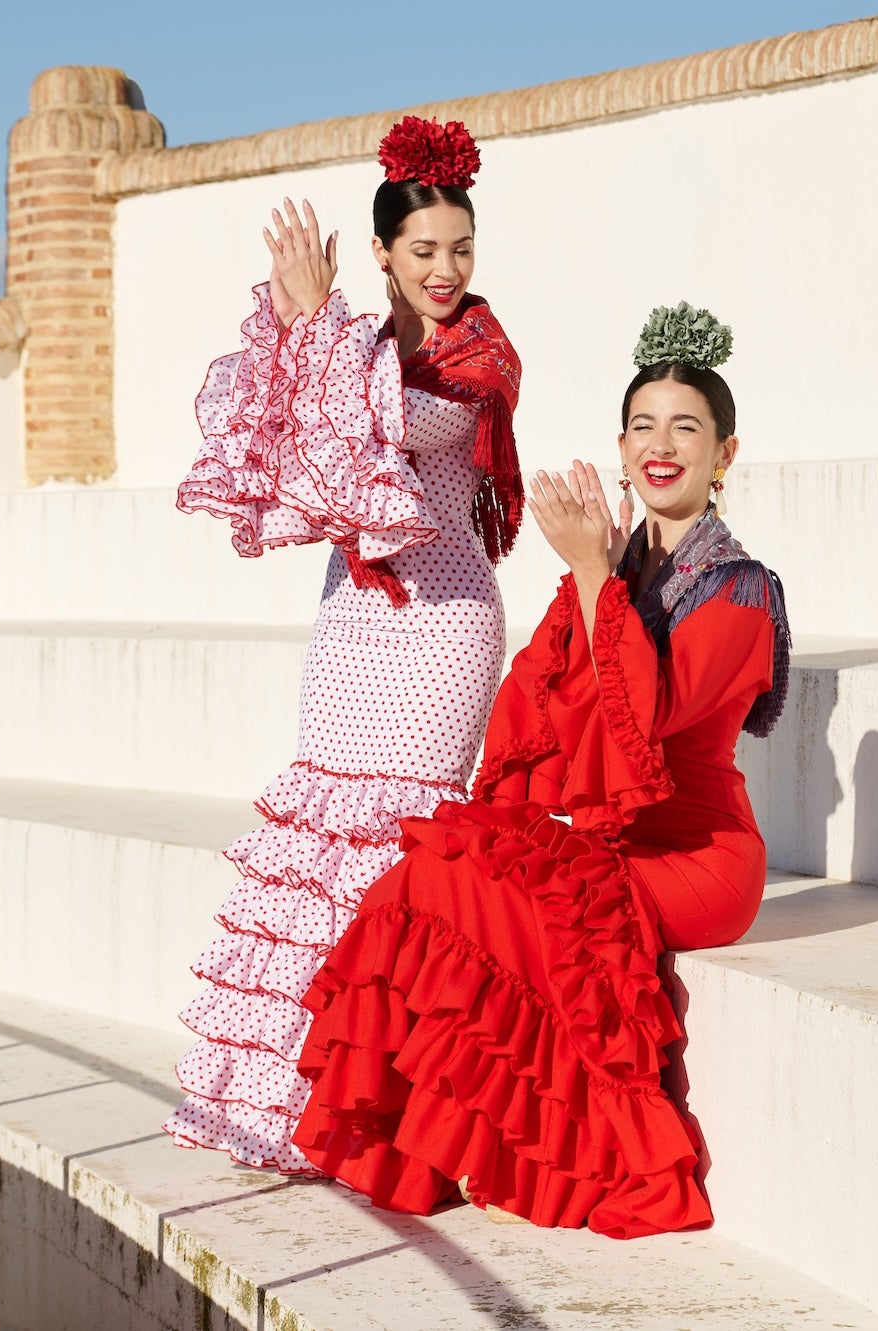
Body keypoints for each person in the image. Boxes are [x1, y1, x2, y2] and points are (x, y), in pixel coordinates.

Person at [291, 303, 790, 1236]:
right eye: (643, 425)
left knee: (508, 901)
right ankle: (421, 1146)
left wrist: (597, 578)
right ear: (620, 444)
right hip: (611, 841)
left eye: (687, 427)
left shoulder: (741, 587)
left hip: (700, 860)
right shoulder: (612, 567)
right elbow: (536, 709)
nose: (661, 444)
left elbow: (647, 715)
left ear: (725, 454)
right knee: (437, 872)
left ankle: (568, 1162)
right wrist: (592, 577)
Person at [166, 116, 525, 1172]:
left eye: (459, 248)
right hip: (353, 622)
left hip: (443, 623)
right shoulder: (353, 347)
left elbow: (394, 428)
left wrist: (311, 316)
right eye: (423, 251)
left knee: (395, 865)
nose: (446, 269)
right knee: (318, 852)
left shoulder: (480, 357)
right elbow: (280, 433)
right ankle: (290, 1109)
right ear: (382, 254)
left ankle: (396, 1119)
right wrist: (292, 319)